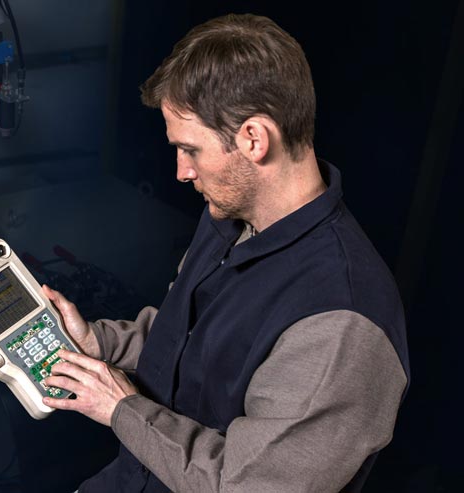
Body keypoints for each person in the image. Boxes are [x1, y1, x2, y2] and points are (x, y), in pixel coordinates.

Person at [39, 13, 410, 493]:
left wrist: (121, 408)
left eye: (190, 150)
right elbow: (188, 341)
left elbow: (246, 485)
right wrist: (99, 344)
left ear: (254, 139)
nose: (181, 172)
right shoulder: (229, 219)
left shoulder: (341, 323)